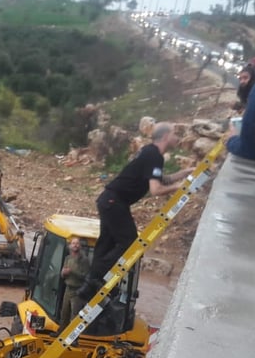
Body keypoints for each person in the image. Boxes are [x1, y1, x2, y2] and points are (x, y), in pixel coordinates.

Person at [73, 123, 189, 303]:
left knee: (106, 244)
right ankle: (98, 279)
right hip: (115, 201)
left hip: (109, 199)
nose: (178, 137)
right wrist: (179, 187)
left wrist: (184, 173)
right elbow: (156, 189)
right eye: (175, 134)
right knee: (129, 243)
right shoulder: (155, 155)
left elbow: (159, 178)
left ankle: (88, 286)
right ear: (165, 136)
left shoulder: (149, 152)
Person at [227, 79, 255, 161]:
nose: (242, 81)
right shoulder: (243, 92)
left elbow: (250, 147)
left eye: (245, 77)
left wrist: (232, 140)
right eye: (240, 78)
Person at [61, 237, 91, 319]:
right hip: (68, 290)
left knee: (74, 316)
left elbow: (85, 276)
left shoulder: (84, 260)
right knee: (64, 314)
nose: (75, 245)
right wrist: (63, 273)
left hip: (77, 292)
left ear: (80, 246)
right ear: (70, 246)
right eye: (73, 243)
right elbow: (62, 274)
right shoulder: (68, 258)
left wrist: (72, 272)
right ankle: (61, 331)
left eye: (77, 243)